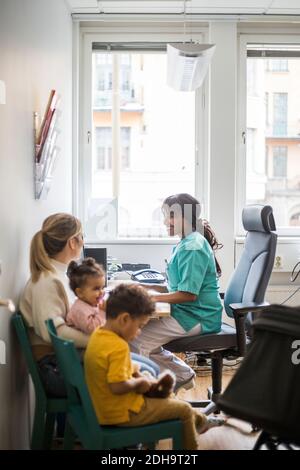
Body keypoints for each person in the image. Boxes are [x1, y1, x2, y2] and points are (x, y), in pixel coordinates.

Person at [84, 284, 224, 450]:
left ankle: (201, 421)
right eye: (140, 327)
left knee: (167, 396)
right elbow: (117, 385)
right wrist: (140, 384)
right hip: (123, 412)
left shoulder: (99, 335)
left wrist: (139, 375)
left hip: (106, 408)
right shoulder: (118, 346)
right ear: (124, 319)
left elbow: (115, 372)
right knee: (184, 410)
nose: (138, 333)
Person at [130, 193, 223, 391]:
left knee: (136, 341)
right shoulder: (186, 242)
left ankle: (146, 395)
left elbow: (189, 294)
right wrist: (147, 288)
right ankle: (182, 374)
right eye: (165, 215)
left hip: (198, 316)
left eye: (170, 216)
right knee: (136, 337)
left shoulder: (193, 247)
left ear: (186, 217)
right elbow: (178, 286)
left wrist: (150, 297)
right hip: (187, 312)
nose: (165, 221)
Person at [20, 213, 89, 397]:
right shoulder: (47, 281)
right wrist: (96, 340)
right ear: (72, 243)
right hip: (55, 370)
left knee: (138, 366)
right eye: (82, 236)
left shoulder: (57, 275)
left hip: (63, 362)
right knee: (137, 371)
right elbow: (55, 332)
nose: (83, 242)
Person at [66, 257, 106, 335]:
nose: (102, 292)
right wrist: (102, 311)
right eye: (96, 288)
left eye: (102, 287)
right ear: (80, 293)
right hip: (81, 346)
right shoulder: (79, 310)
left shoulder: (91, 303)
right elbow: (93, 330)